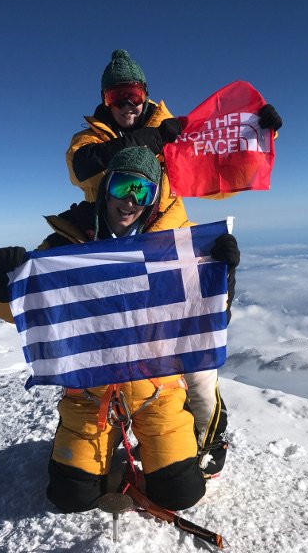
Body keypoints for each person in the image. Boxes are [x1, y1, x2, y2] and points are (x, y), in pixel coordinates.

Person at [0, 146, 240, 513]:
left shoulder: (174, 248)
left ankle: (179, 446)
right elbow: (21, 311)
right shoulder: (67, 246)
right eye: (123, 186)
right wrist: (1, 282)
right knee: (71, 497)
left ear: (154, 199)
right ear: (106, 187)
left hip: (157, 387)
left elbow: (204, 320)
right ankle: (99, 456)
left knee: (181, 494)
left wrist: (222, 279)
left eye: (143, 191)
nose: (130, 201)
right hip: (91, 392)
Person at [64, 49, 280, 478]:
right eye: (118, 95)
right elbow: (84, 166)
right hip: (115, 251)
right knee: (122, 356)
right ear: (105, 100)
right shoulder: (93, 138)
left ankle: (209, 436)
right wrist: (156, 139)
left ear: (146, 94)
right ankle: (123, 435)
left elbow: (217, 164)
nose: (128, 103)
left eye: (135, 93)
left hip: (171, 247)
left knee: (195, 356)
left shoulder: (176, 130)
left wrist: (259, 130)